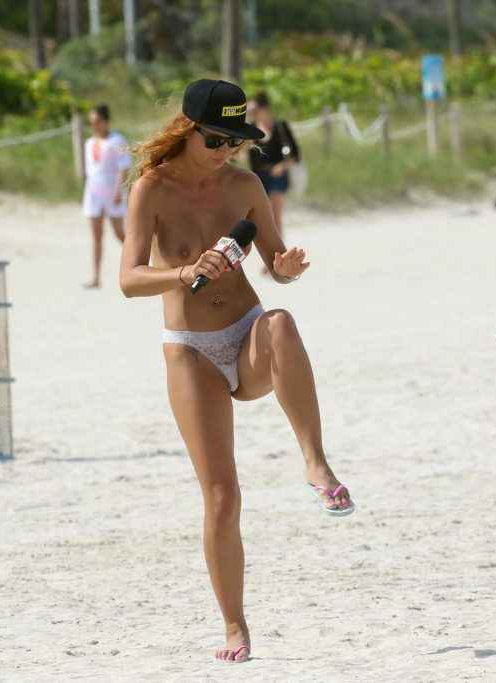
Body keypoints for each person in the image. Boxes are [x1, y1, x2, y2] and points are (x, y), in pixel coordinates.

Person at [119, 79, 354, 665]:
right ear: (189, 129)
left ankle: (315, 462)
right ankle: (234, 626)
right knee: (222, 497)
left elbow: (275, 263)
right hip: (190, 351)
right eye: (218, 140)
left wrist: (287, 267)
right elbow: (128, 279)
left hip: (246, 333)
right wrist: (183, 273)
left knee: (282, 322)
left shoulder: (246, 185)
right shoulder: (152, 189)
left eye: (237, 140)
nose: (228, 150)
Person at [82, 104, 131, 288]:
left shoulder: (117, 140)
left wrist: (118, 191)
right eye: (91, 122)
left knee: (119, 233)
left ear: (105, 121)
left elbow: (124, 167)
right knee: (96, 236)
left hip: (112, 191)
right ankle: (96, 277)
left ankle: (137, 266)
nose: (94, 125)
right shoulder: (89, 143)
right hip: (93, 192)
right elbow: (90, 170)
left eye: (97, 121)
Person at [248, 91, 301, 239]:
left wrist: (281, 166)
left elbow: (296, 155)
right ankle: (272, 249)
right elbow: (248, 157)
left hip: (278, 176)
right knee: (262, 217)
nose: (253, 114)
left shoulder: (280, 126)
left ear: (265, 108)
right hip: (259, 177)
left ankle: (278, 250)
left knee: (275, 216)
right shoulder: (251, 129)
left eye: (255, 110)